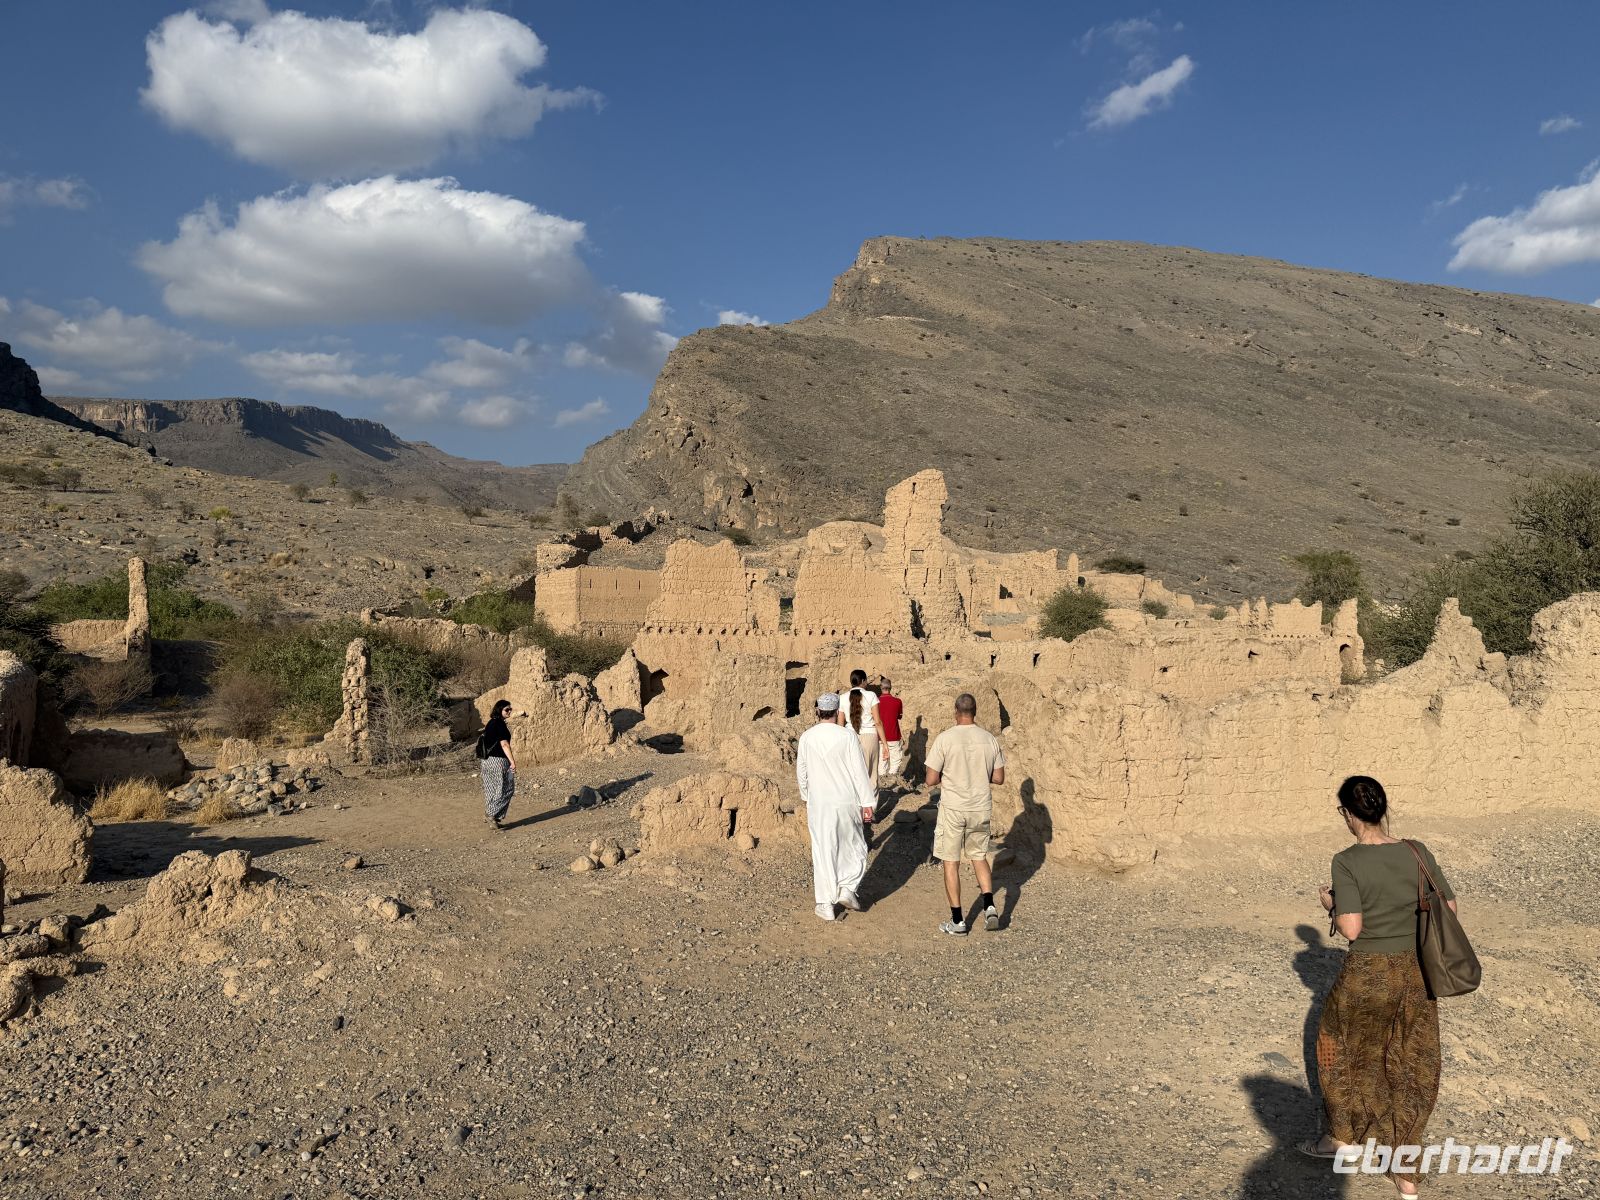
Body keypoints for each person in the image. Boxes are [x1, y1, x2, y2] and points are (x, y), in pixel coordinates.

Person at [1302, 775, 1457, 1198]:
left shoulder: (1347, 860)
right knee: (1411, 1065)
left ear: (1349, 815)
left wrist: (1333, 906)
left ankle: (1342, 1141)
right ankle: (1406, 1175)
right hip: (1416, 974)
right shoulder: (1416, 851)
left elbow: (1352, 929)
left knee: (1340, 1051)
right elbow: (1449, 907)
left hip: (1368, 971)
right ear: (1383, 809)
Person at [924, 693, 1005, 935]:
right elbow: (999, 778)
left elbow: (930, 779)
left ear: (955, 712)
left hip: (953, 808)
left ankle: (958, 921)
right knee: (979, 856)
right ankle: (989, 905)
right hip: (980, 806)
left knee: (951, 861)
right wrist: (979, 773)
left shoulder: (945, 739)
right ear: (976, 711)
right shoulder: (989, 739)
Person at [795, 692, 875, 921]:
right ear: (837, 711)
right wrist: (867, 802)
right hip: (847, 800)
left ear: (818, 711)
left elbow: (802, 771)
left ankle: (825, 903)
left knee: (824, 850)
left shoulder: (807, 737)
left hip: (820, 803)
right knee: (855, 845)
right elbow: (859, 772)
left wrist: (805, 795)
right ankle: (847, 888)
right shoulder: (847, 736)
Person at [844, 668, 889, 785]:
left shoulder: (842, 697)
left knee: (852, 773)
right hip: (869, 736)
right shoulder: (871, 695)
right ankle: (870, 802)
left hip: (849, 736)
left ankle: (855, 802)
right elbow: (878, 722)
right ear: (863, 681)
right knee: (871, 775)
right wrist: (885, 744)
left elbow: (840, 725)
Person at [477, 699, 516, 830]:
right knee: (507, 788)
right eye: (507, 709)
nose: (509, 711)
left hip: (486, 761)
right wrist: (512, 762)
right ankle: (490, 814)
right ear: (499, 710)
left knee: (491, 790)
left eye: (510, 709)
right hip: (499, 761)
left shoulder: (490, 723)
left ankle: (493, 819)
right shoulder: (499, 724)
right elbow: (504, 744)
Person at [876, 677, 904, 780]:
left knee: (881, 760)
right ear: (891, 688)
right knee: (895, 760)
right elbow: (899, 716)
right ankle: (893, 779)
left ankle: (883, 780)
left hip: (879, 736)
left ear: (881, 687)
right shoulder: (897, 701)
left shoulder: (876, 702)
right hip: (893, 735)